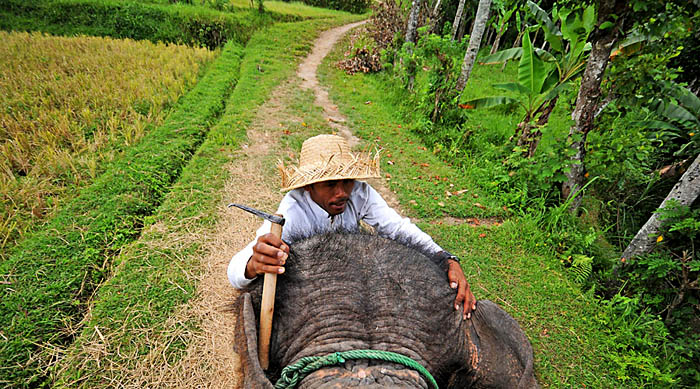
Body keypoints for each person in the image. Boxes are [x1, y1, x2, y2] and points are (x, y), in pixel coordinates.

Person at [227, 134, 476, 319]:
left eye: (347, 181)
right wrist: (254, 263)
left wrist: (446, 258)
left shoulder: (360, 193)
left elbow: (399, 229)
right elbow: (236, 270)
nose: (342, 192)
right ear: (308, 187)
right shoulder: (292, 212)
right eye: (330, 184)